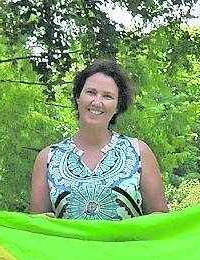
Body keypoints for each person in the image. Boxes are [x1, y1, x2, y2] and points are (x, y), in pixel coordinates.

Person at [29, 60, 169, 219]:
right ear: (77, 97)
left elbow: (160, 219)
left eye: (107, 96)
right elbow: (37, 229)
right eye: (91, 92)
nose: (97, 102)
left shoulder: (139, 152)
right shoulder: (48, 158)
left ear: (117, 106)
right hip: (69, 245)